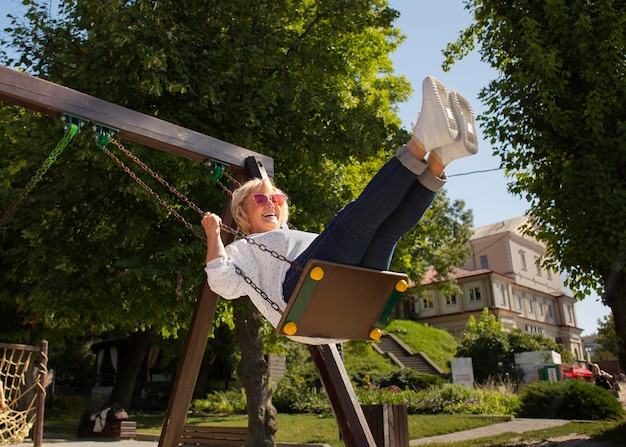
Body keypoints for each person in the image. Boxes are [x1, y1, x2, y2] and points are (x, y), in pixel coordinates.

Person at [202, 76, 478, 343]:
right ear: (243, 215)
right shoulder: (246, 247)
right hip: (299, 300)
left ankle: (441, 158)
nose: (271, 203)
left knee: (385, 232)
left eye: (276, 198)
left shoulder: (296, 239)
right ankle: (422, 140)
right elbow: (222, 285)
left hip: (351, 301)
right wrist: (214, 233)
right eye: (260, 201)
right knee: (352, 222)